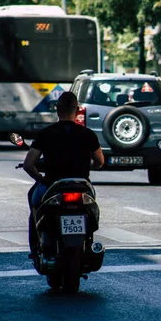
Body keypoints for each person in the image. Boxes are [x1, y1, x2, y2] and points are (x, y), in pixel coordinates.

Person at [23, 92, 104, 254]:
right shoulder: (88, 134)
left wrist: (39, 178)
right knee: (91, 208)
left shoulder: (45, 134)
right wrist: (89, 167)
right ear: (78, 110)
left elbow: (28, 164)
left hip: (52, 185)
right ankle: (88, 242)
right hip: (81, 185)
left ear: (57, 110)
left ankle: (36, 247)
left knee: (34, 200)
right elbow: (100, 161)